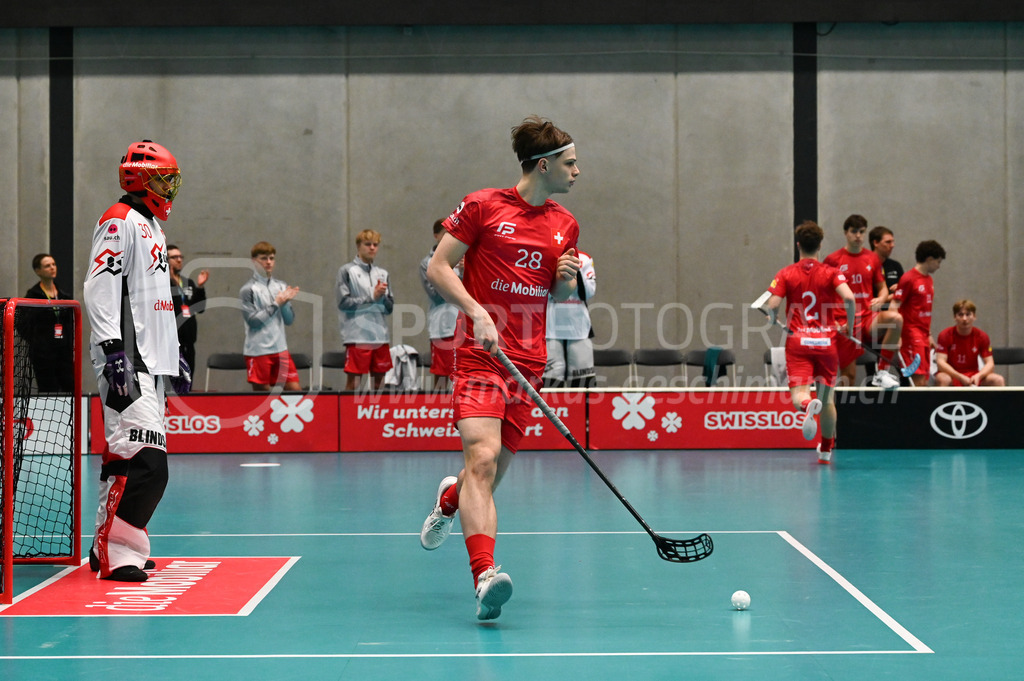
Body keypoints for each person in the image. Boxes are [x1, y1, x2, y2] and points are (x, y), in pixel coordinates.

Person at [418, 116, 582, 620]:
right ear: (544, 165)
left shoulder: (565, 224)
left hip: (528, 365)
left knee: (485, 478)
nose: (577, 172)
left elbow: (558, 295)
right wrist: (477, 312)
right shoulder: (483, 205)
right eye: (570, 164)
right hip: (481, 356)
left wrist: (564, 280)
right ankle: (485, 577)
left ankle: (450, 501)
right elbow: (438, 266)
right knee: (483, 461)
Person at [83, 140, 191, 582]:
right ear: (140, 180)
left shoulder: (153, 227)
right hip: (125, 357)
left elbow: (154, 301)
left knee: (126, 458)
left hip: (151, 362)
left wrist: (174, 355)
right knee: (148, 465)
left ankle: (106, 544)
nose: (171, 188)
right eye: (165, 179)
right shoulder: (119, 220)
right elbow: (100, 286)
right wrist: (112, 350)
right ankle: (119, 550)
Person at [760, 220, 856, 465]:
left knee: (798, 396)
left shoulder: (786, 273)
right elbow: (850, 298)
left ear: (798, 244)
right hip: (826, 343)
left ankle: (806, 404)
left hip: (798, 342)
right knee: (828, 401)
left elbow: (771, 305)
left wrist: (773, 319)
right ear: (820, 246)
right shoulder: (832, 272)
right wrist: (849, 326)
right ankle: (825, 449)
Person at [822, 214, 903, 389]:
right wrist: (832, 321)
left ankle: (881, 372)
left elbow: (882, 287)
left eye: (862, 232)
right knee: (849, 377)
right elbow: (823, 293)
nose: (858, 236)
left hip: (867, 318)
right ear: (846, 233)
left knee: (896, 319)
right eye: (854, 232)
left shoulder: (872, 258)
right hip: (845, 322)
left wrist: (881, 299)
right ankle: (843, 413)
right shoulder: (833, 260)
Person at [336, 229, 394, 391]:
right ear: (358, 246)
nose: (372, 248)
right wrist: (371, 297)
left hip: (380, 337)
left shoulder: (382, 273)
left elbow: (389, 308)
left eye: (375, 245)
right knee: (354, 384)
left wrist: (383, 298)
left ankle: (377, 416)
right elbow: (343, 303)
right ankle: (349, 416)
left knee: (379, 384)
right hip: (357, 337)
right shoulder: (347, 271)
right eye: (367, 244)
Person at [239, 241, 301, 391]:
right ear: (254, 261)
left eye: (271, 258)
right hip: (258, 351)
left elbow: (289, 320)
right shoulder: (248, 290)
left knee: (295, 392)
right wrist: (276, 304)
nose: (268, 262)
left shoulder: (280, 286)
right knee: (263, 398)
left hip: (280, 349)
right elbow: (253, 322)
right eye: (264, 258)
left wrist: (285, 303)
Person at [891, 240, 947, 387]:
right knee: (917, 381)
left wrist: (928, 334)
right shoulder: (909, 278)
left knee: (925, 380)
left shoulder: (929, 280)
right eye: (938, 262)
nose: (939, 266)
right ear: (929, 259)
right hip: (910, 335)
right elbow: (893, 307)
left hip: (923, 336)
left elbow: (925, 310)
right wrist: (896, 336)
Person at [543, 249, 597, 388]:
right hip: (550, 330)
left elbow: (589, 292)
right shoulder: (547, 254)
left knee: (583, 381)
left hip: (579, 329)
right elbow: (540, 290)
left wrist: (575, 271)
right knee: (551, 381)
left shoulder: (585, 258)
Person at [23, 253, 76, 393]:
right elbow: (23, 324)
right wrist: (38, 342)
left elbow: (71, 324)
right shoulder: (32, 296)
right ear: (38, 271)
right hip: (43, 355)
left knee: (69, 387)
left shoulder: (64, 296)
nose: (52, 268)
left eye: (53, 264)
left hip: (64, 352)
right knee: (48, 390)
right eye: (47, 266)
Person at [420, 219, 461, 391]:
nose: (448, 239)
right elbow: (437, 295)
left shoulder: (462, 259)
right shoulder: (427, 264)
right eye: (445, 234)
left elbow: (471, 292)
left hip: (461, 327)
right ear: (436, 236)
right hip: (441, 327)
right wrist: (455, 278)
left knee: (461, 374)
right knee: (442, 374)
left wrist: (465, 271)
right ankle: (437, 411)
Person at [934, 299, 1005, 387]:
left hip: (973, 375)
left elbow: (990, 363)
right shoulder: (945, 335)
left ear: (974, 316)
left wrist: (979, 376)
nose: (964, 319)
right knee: (943, 379)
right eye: (960, 315)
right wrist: (959, 377)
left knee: (998, 380)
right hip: (952, 375)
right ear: (955, 317)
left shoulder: (982, 336)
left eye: (968, 314)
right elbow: (940, 362)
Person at [167, 244, 208, 376]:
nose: (179, 260)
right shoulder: (162, 284)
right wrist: (172, 282)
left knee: (188, 382)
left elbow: (200, 309)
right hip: (171, 344)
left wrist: (200, 288)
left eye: (180, 256)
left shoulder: (187, 282)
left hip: (189, 342)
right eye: (174, 257)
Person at [869, 225, 903, 301]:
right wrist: (886, 299)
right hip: (871, 309)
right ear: (876, 243)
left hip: (893, 309)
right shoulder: (865, 266)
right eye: (888, 242)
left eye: (892, 242)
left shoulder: (895, 266)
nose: (892, 245)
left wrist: (900, 288)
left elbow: (904, 292)